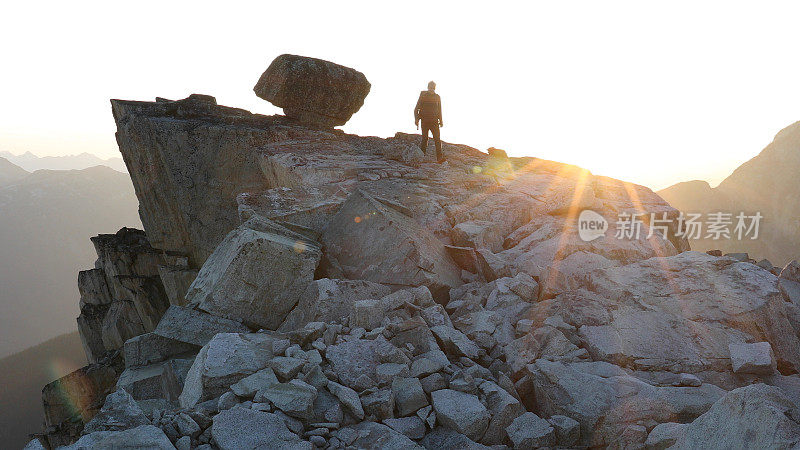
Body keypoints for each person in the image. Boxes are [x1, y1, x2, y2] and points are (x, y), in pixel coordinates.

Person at [414, 81, 444, 162]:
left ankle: (439, 158)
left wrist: (441, 121)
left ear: (435, 88)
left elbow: (439, 109)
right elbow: (416, 108)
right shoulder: (423, 95)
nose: (432, 89)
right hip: (425, 121)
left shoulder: (437, 97)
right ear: (428, 87)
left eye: (433, 88)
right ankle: (421, 157)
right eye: (431, 87)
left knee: (437, 140)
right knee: (424, 139)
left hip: (434, 122)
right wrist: (416, 119)